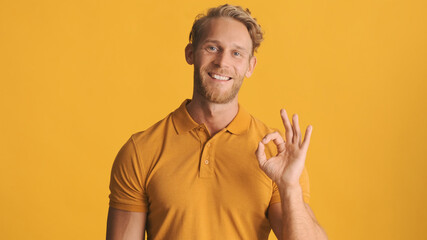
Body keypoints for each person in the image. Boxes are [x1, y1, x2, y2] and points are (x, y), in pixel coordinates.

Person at [106, 4, 327, 240]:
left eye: (237, 53)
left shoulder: (275, 153)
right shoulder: (140, 150)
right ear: (190, 53)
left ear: (250, 66)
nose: (222, 62)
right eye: (212, 47)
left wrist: (290, 187)